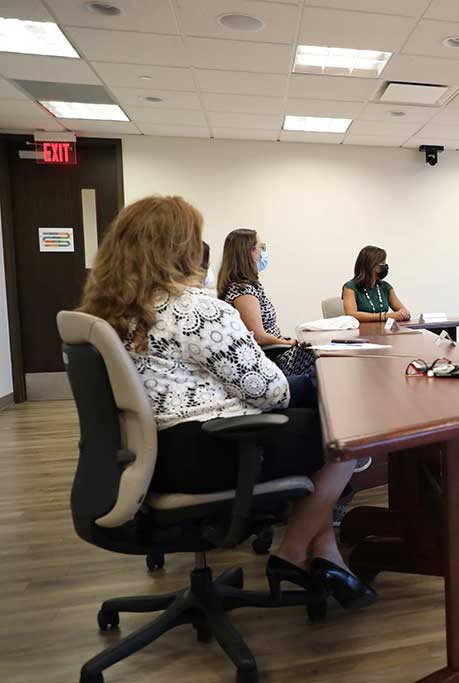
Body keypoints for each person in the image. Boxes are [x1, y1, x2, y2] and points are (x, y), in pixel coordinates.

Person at [78, 196, 376, 610]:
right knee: (346, 434)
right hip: (215, 449)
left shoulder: (110, 310)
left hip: (149, 454)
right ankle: (290, 554)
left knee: (312, 422)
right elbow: (270, 391)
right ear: (180, 248)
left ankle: (324, 554)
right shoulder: (195, 309)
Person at [218, 229, 316, 381]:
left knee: (319, 352)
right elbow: (259, 337)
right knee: (318, 357)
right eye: (260, 247)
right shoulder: (243, 291)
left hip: (278, 351)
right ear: (248, 253)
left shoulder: (251, 286)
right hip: (272, 360)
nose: (263, 253)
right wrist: (287, 342)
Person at [342, 246, 411, 323]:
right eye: (383, 263)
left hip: (384, 332)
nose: (385, 266)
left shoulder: (385, 287)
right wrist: (384, 316)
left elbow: (402, 310)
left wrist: (403, 313)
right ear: (371, 265)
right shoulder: (350, 287)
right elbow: (351, 315)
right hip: (360, 333)